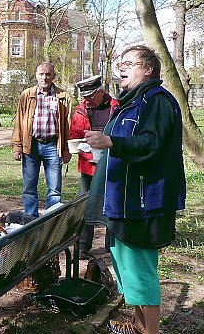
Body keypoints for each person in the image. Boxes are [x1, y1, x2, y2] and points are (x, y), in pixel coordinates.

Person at [84, 45, 186, 334]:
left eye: (130, 63)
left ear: (149, 69)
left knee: (140, 269)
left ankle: (150, 330)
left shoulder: (157, 101)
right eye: (121, 63)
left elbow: (151, 143)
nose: (122, 67)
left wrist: (112, 142)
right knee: (126, 265)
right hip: (123, 199)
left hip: (143, 201)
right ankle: (139, 325)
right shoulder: (132, 102)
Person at [11, 62, 72, 217]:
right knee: (29, 188)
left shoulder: (63, 97)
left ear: (53, 76)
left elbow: (68, 125)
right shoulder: (27, 95)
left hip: (53, 146)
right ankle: (31, 220)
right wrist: (17, 146)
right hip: (31, 146)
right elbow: (19, 122)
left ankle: (51, 222)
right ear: (36, 75)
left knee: (54, 189)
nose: (44, 77)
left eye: (48, 74)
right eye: (41, 74)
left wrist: (66, 150)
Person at [69, 75, 118, 258]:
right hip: (88, 165)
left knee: (112, 203)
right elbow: (74, 135)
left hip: (112, 164)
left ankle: (111, 245)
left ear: (101, 92)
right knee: (85, 204)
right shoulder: (81, 110)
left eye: (90, 96)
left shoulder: (116, 108)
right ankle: (83, 246)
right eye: (84, 97)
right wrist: (82, 146)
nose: (86, 100)